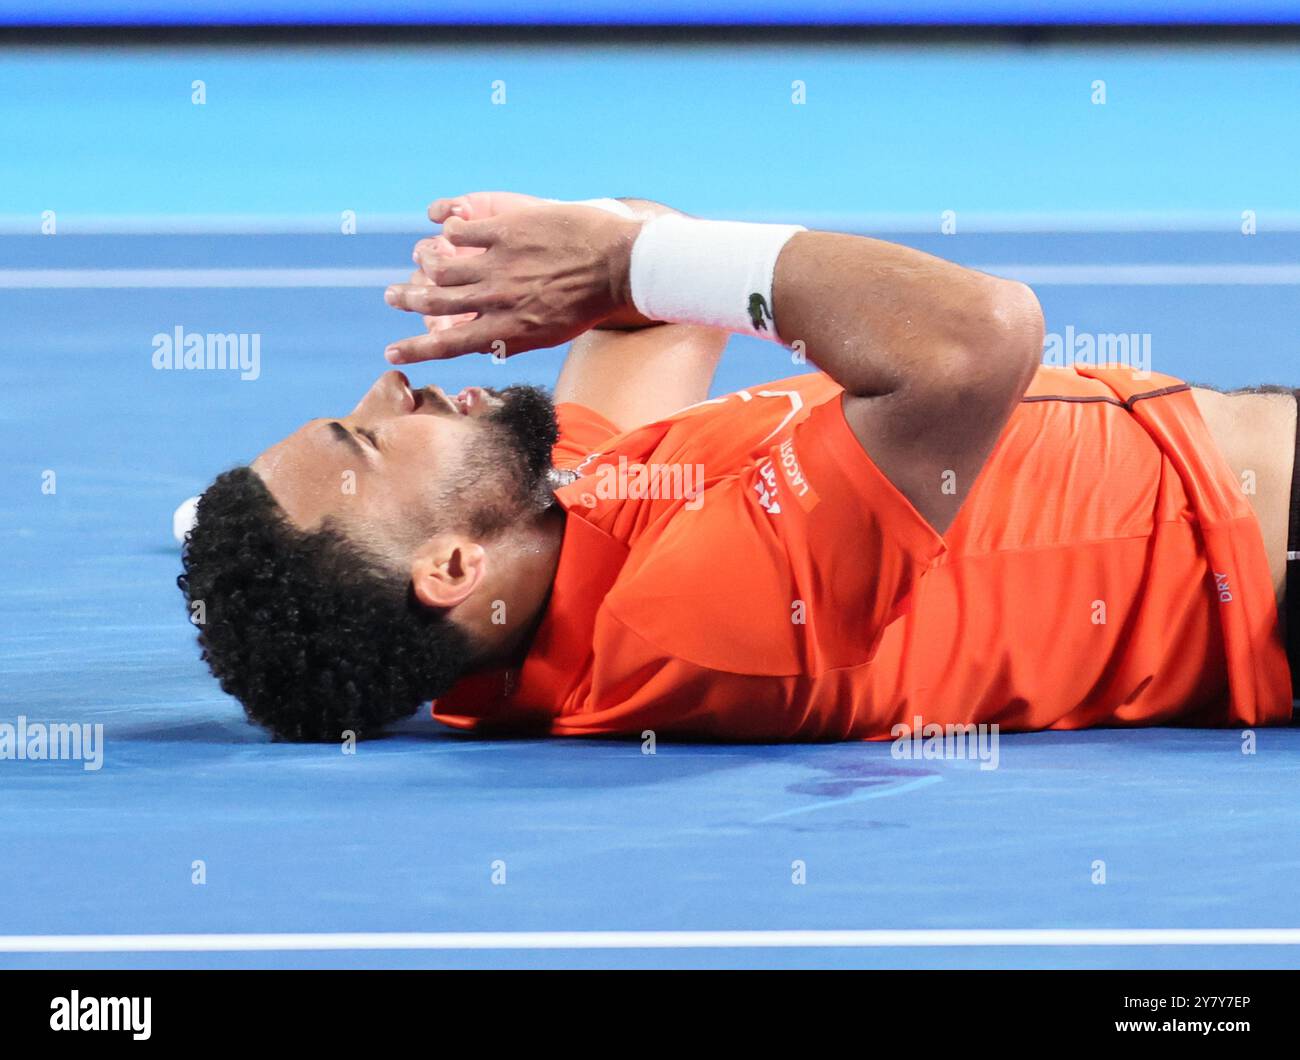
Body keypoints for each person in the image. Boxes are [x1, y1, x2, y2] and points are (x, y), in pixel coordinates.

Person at [179, 191, 1297, 742]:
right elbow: (976, 338)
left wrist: (609, 261)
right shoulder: (692, 616)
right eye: (367, 440)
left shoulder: (545, 545)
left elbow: (655, 288)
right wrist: (623, 260)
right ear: (451, 567)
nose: (390, 390)